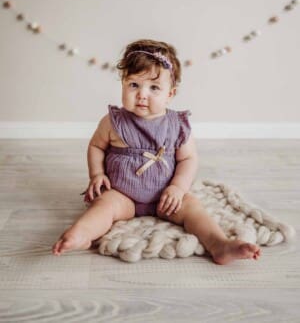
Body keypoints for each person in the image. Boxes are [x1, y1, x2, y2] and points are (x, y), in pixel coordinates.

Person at [53, 39, 260, 264]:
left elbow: (188, 158)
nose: (142, 94)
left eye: (153, 88)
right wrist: (97, 175)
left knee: (193, 208)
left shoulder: (177, 125)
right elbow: (96, 146)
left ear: (170, 94)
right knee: (104, 206)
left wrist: (178, 188)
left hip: (165, 196)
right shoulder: (114, 122)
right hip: (123, 195)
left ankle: (219, 244)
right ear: (123, 83)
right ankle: (81, 234)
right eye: (134, 85)